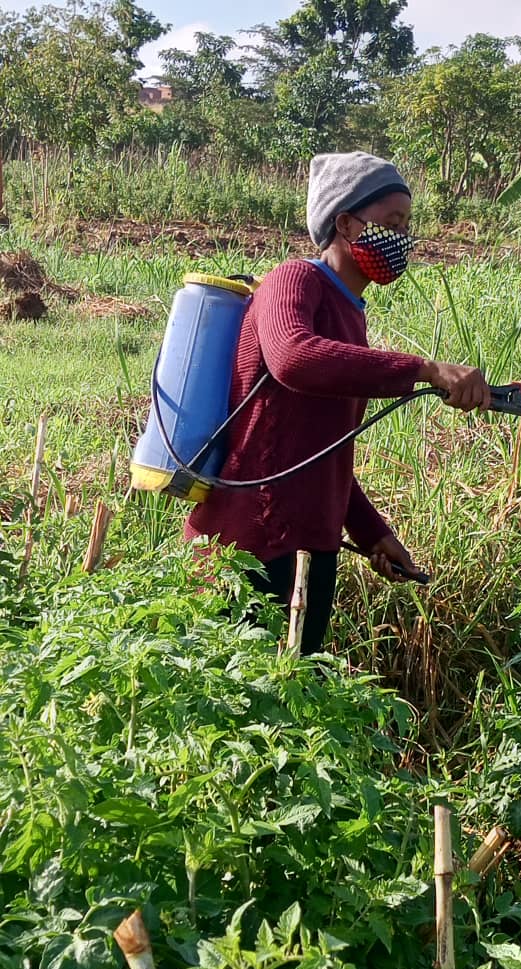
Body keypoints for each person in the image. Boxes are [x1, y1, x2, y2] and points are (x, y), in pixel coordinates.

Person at [185, 151, 491, 653]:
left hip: (309, 548)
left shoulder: (351, 313)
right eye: (392, 223)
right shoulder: (294, 280)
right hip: (248, 544)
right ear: (345, 222)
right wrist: (423, 369)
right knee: (238, 712)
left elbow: (319, 451)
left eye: (407, 226)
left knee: (290, 707)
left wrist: (373, 534)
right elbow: (292, 357)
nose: (402, 239)